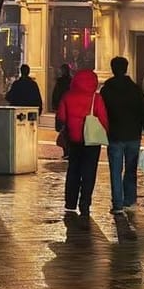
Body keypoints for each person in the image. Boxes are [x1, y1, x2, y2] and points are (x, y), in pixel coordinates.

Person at [100, 56, 144, 218]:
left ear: (112, 69)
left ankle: (117, 204)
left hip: (115, 136)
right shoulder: (135, 89)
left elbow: (101, 113)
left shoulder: (107, 89)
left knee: (115, 171)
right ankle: (130, 201)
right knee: (131, 170)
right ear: (126, 68)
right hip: (133, 135)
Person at [57, 68, 107, 218]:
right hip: (91, 141)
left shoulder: (67, 96)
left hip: (74, 140)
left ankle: (70, 203)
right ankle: (85, 204)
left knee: (73, 170)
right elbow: (104, 120)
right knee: (89, 172)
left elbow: (60, 118)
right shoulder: (96, 98)